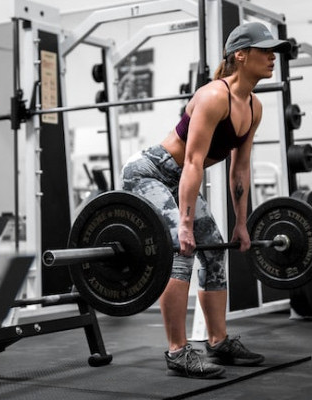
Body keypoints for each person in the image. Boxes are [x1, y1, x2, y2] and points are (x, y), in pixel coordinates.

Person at [120, 22, 292, 379]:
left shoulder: (253, 107)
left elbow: (239, 171)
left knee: (213, 248)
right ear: (240, 55)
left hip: (180, 178)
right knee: (182, 252)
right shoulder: (215, 96)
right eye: (265, 50)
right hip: (150, 173)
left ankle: (218, 341)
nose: (272, 57)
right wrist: (183, 225)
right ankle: (178, 352)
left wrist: (241, 223)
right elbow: (194, 162)